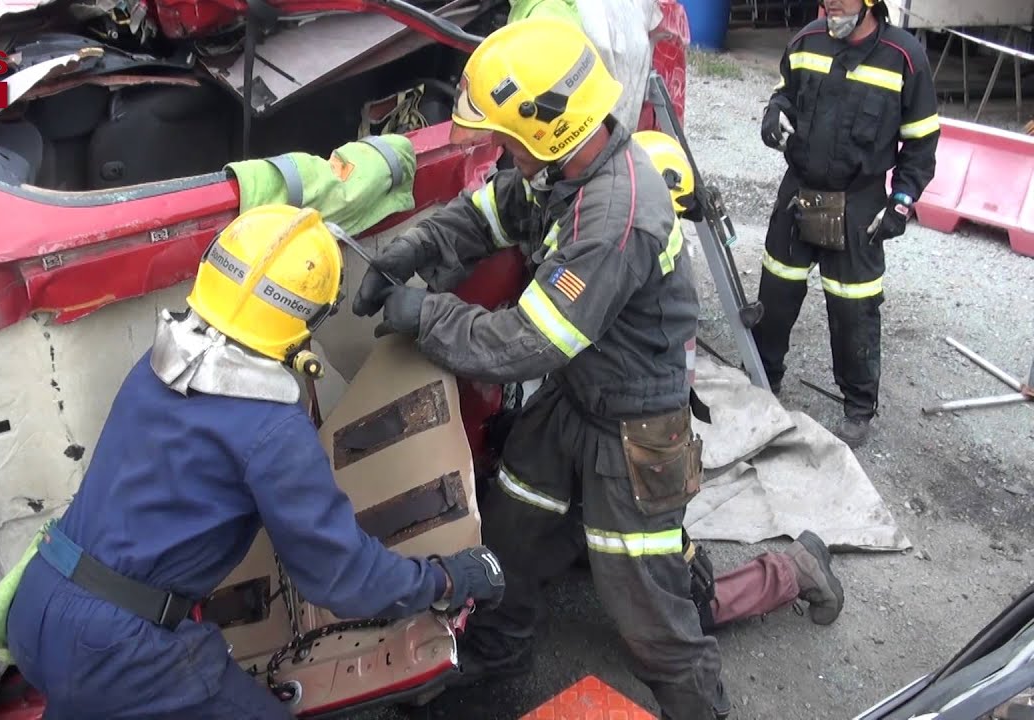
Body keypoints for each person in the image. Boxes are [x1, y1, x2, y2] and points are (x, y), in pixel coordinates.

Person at [353, 17, 728, 719]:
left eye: (508, 139)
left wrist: (425, 315)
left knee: (646, 608)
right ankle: (499, 650)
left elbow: (528, 343)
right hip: (575, 396)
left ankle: (701, 705)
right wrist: (415, 247)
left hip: (634, 424)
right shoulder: (566, 169)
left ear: (549, 130)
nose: (503, 152)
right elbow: (487, 213)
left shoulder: (613, 218)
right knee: (513, 530)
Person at [3, 204, 506, 719]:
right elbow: (342, 578)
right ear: (309, 319)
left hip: (39, 604)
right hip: (117, 650)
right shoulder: (270, 430)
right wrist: (446, 579)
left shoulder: (158, 366)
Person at [633, 129, 847, 635]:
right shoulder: (641, 245)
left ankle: (793, 571)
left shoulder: (650, 271)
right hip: (627, 428)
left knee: (670, 611)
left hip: (643, 435)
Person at [752, 0, 940, 447]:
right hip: (800, 190)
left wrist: (900, 202)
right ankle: (761, 379)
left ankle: (858, 407)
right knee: (775, 292)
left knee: (854, 309)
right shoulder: (806, 41)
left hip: (859, 203)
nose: (831, 2)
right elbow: (784, 95)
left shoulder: (904, 57)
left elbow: (921, 142)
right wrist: (774, 114)